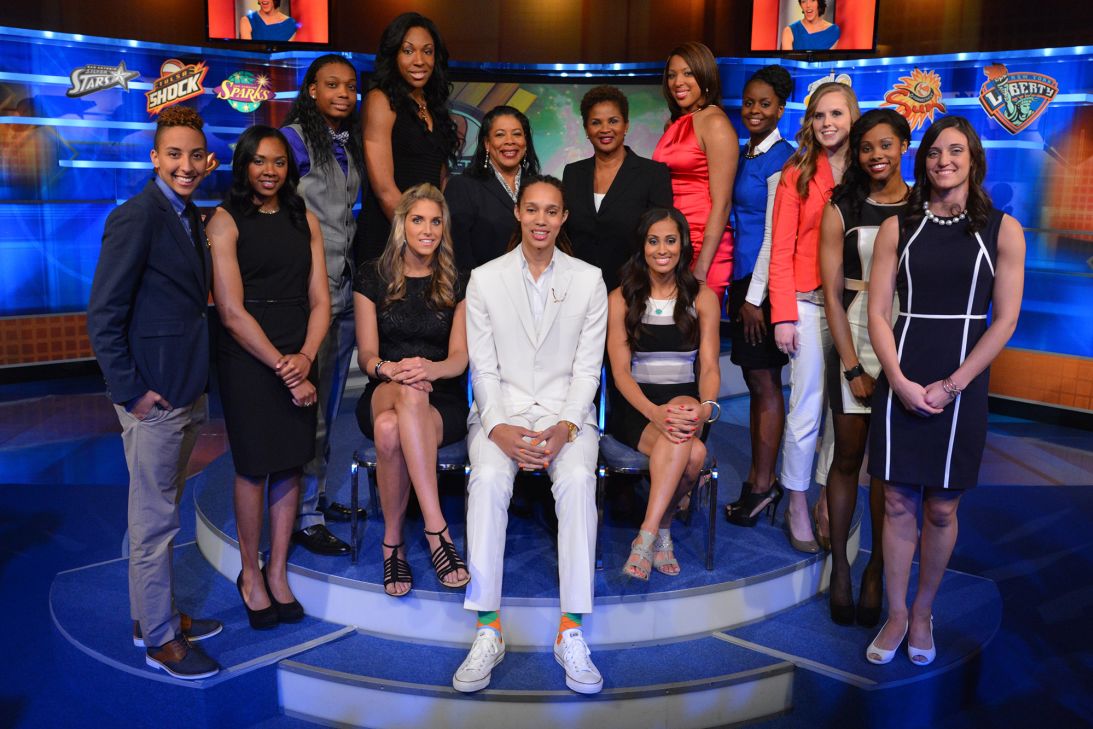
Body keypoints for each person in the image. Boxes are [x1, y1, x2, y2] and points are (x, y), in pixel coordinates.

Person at [865, 116, 1025, 666]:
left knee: (940, 508)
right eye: (934, 152)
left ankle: (925, 611)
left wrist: (954, 385)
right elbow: (878, 312)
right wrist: (901, 382)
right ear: (923, 160)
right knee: (896, 502)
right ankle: (896, 612)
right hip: (903, 375)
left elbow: (1003, 321)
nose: (943, 161)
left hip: (962, 381)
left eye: (955, 151)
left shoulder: (1003, 230)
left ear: (973, 158)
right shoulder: (897, 228)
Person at [453, 176, 607, 695]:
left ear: (564, 218)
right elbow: (484, 368)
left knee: (579, 479)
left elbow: (589, 372)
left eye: (552, 212)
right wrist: (497, 426)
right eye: (532, 210)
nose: (541, 220)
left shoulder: (589, 279)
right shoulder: (484, 278)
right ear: (518, 213)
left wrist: (565, 427)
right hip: (503, 414)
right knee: (490, 481)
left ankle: (572, 631)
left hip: (568, 417)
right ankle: (487, 629)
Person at [87, 106, 221, 679]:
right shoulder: (137, 216)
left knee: (163, 510)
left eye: (194, 155)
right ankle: (160, 640)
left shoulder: (189, 215)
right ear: (154, 158)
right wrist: (132, 392)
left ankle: (154, 613)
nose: (185, 165)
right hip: (155, 395)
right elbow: (104, 314)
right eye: (174, 154)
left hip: (184, 385)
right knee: (153, 521)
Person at [206, 125, 329, 629]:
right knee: (255, 467)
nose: (269, 171)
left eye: (278, 162)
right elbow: (231, 311)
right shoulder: (224, 220)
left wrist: (305, 357)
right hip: (248, 356)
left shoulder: (307, 218)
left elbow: (321, 300)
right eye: (259, 161)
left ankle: (278, 571)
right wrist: (286, 368)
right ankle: (249, 575)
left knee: (290, 464)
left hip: (300, 347)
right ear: (244, 165)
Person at [354, 183, 470, 597]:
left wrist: (430, 369)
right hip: (384, 387)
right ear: (402, 224)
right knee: (406, 394)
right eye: (418, 219)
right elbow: (366, 353)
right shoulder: (372, 275)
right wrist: (392, 368)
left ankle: (393, 542)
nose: (427, 229)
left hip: (441, 397)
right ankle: (436, 528)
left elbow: (459, 358)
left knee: (389, 431)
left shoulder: (457, 279)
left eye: (435, 221)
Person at [819, 109, 911, 627]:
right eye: (866, 147)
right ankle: (841, 569)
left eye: (886, 145)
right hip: (854, 333)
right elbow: (830, 292)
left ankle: (877, 568)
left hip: (907, 335)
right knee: (849, 455)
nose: (877, 155)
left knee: (888, 464)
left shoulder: (924, 205)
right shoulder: (842, 206)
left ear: (904, 145)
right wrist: (851, 363)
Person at [769, 81, 860, 552]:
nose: (827, 124)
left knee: (842, 413)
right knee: (806, 410)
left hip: (854, 307)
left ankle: (829, 498)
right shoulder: (796, 172)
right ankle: (797, 501)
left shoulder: (870, 170)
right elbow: (781, 248)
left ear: (853, 117)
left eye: (836, 115)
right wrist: (782, 313)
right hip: (804, 304)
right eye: (820, 116)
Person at [281, 54, 364, 557]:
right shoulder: (293, 141)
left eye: (350, 86)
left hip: (345, 289)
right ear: (311, 89)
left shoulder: (343, 143)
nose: (343, 93)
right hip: (316, 296)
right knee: (310, 412)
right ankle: (304, 513)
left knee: (331, 410)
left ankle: (320, 495)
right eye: (332, 84)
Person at [608, 208, 720, 579]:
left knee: (684, 409)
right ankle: (663, 531)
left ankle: (646, 535)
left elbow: (707, 367)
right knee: (695, 455)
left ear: (683, 244)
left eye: (670, 240)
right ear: (642, 246)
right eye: (653, 240)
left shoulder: (702, 297)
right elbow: (620, 372)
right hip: (637, 407)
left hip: (687, 407)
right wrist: (652, 411)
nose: (662, 249)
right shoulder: (621, 299)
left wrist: (706, 409)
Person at [724, 65, 796, 528]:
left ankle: (764, 487)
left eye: (764, 104)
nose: (754, 110)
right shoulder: (748, 152)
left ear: (781, 109)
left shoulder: (783, 158)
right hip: (743, 280)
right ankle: (757, 479)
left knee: (767, 386)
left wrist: (754, 297)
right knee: (756, 385)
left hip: (761, 286)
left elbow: (777, 234)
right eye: (749, 102)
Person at [354, 12, 461, 267]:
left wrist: (435, 235)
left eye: (427, 51)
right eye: (408, 51)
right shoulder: (381, 100)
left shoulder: (435, 106)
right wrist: (417, 239)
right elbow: (384, 189)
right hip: (390, 237)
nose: (419, 60)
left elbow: (440, 182)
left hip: (427, 239)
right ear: (394, 55)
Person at [563, 85, 674, 292]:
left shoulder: (653, 174)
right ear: (586, 129)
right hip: (577, 289)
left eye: (613, 121)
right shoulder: (572, 173)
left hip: (633, 289)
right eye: (596, 122)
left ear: (626, 125)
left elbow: (660, 237)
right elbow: (566, 236)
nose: (605, 129)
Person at [653, 42, 739, 306]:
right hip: (671, 244)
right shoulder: (675, 123)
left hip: (704, 247)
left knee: (700, 337)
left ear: (705, 75)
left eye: (688, 73)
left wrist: (702, 267)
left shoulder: (715, 123)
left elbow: (722, 203)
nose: (678, 81)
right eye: (672, 74)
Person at [446, 105, 541, 271]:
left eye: (517, 134)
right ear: (487, 144)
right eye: (500, 135)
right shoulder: (463, 186)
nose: (510, 141)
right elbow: (457, 251)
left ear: (525, 142)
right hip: (483, 290)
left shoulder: (540, 188)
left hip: (537, 288)